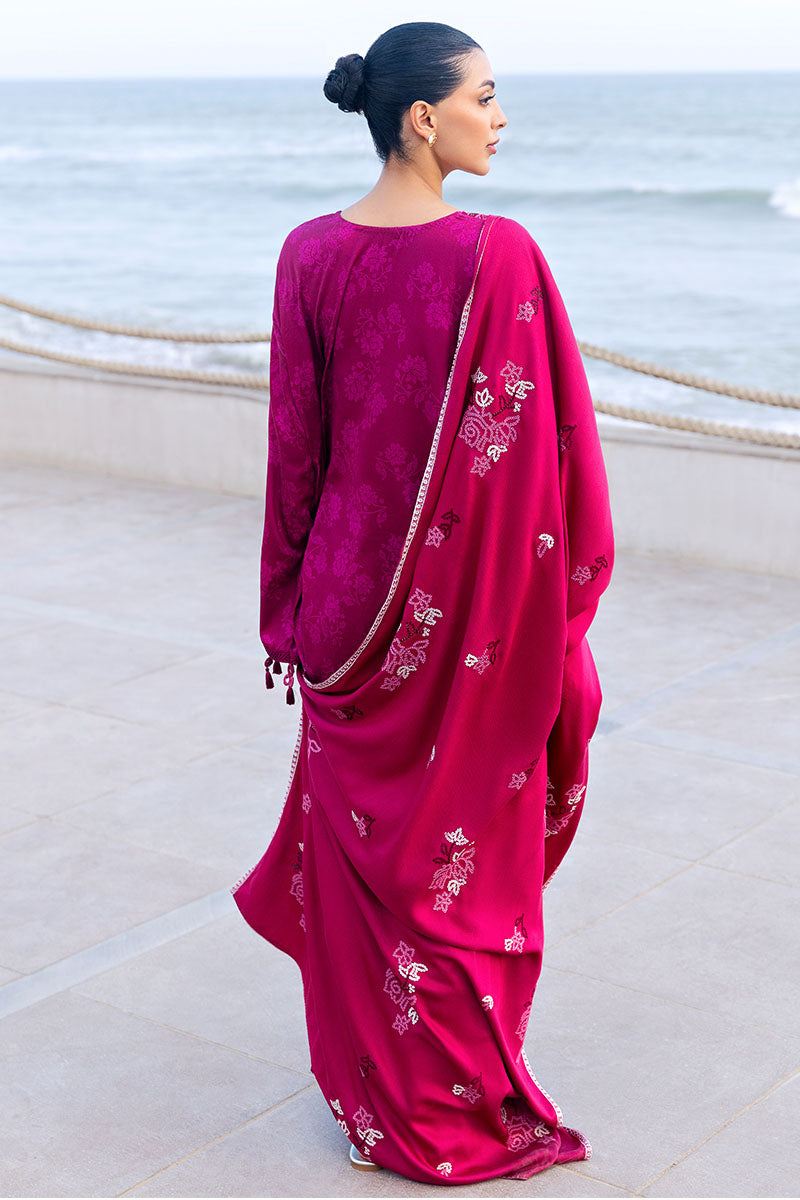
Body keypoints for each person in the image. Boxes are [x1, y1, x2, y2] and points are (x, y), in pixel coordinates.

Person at [231, 21, 614, 1186]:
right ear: (420, 117)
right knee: (456, 860)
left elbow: (294, 452)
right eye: (483, 97)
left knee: (369, 863)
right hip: (472, 619)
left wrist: (284, 611)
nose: (498, 117)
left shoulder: (307, 253)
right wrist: (556, 597)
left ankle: (370, 1104)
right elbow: (553, 451)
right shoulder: (499, 256)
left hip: (345, 610)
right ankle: (443, 1107)